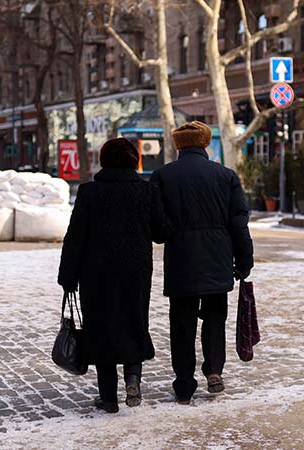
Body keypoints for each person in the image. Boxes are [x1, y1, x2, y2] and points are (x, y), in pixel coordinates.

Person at [58, 137, 170, 414]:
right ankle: (133, 379)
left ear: (104, 161)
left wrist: (67, 276)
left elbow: (75, 238)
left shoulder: (89, 192)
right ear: (134, 160)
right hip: (135, 271)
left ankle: (108, 398)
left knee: (101, 329)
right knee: (134, 321)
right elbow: (161, 233)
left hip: (96, 273)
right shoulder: (147, 192)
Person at [151, 121, 254, 404]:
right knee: (214, 317)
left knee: (181, 322)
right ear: (206, 143)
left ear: (178, 144)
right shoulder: (225, 176)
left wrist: (173, 233)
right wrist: (244, 259)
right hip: (217, 258)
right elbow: (239, 222)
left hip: (182, 260)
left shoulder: (162, 176)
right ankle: (214, 371)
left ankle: (184, 382)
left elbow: (156, 227)